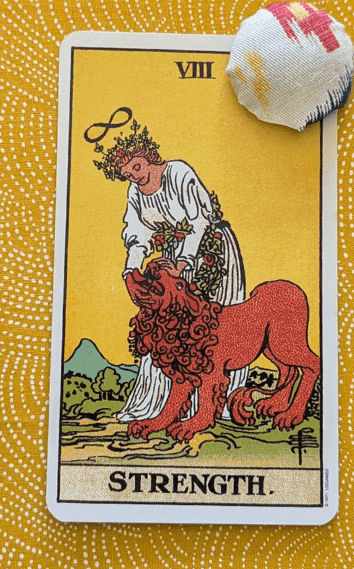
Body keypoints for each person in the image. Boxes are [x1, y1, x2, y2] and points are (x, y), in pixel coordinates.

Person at [93, 122, 247, 426]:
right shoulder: (136, 192)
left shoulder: (178, 172)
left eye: (137, 167)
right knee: (170, 328)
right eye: (127, 174)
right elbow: (137, 234)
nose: (135, 176)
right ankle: (162, 403)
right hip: (174, 259)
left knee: (215, 326)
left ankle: (220, 404)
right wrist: (131, 270)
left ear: (147, 154)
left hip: (211, 250)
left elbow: (199, 221)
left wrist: (184, 262)